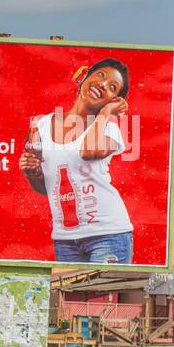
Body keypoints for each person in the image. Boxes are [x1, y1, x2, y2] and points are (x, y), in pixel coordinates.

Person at [19, 57, 133, 264]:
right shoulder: (42, 125)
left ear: (114, 101)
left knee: (101, 296)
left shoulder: (110, 129)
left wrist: (105, 113)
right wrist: (31, 172)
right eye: (100, 75)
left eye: (112, 87)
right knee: (66, 296)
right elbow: (46, 188)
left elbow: (87, 151)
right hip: (65, 239)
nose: (102, 84)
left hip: (108, 235)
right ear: (85, 77)